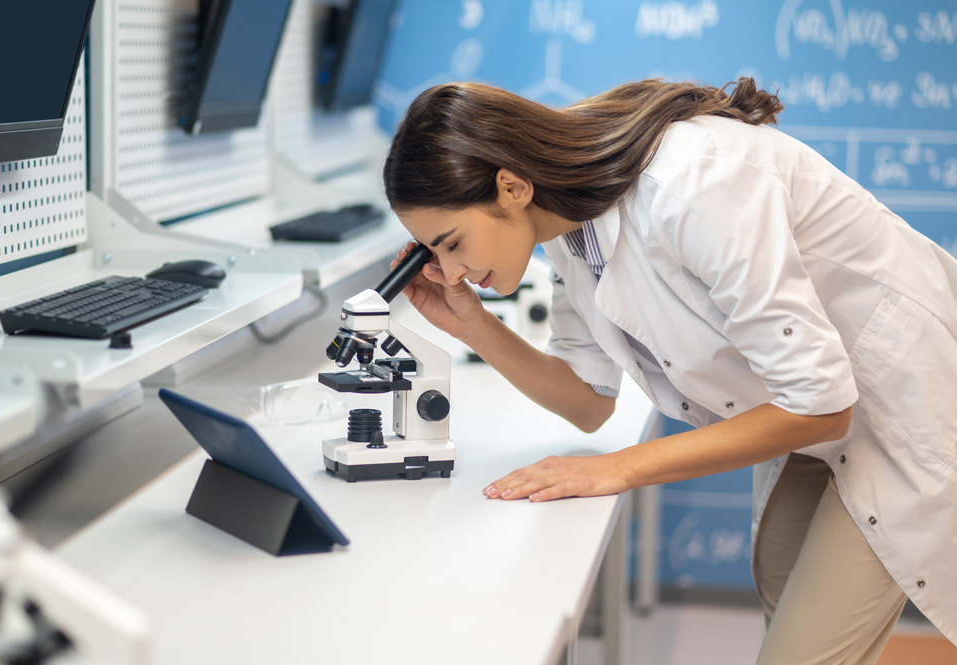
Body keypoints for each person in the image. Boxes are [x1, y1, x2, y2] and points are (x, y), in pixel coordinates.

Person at [382, 78, 957, 663]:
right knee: (781, 586)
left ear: (511, 187)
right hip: (819, 404)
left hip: (904, 405)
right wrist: (471, 326)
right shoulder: (564, 229)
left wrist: (620, 469)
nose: (448, 272)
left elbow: (821, 405)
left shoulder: (692, 184)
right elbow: (588, 400)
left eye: (451, 244)